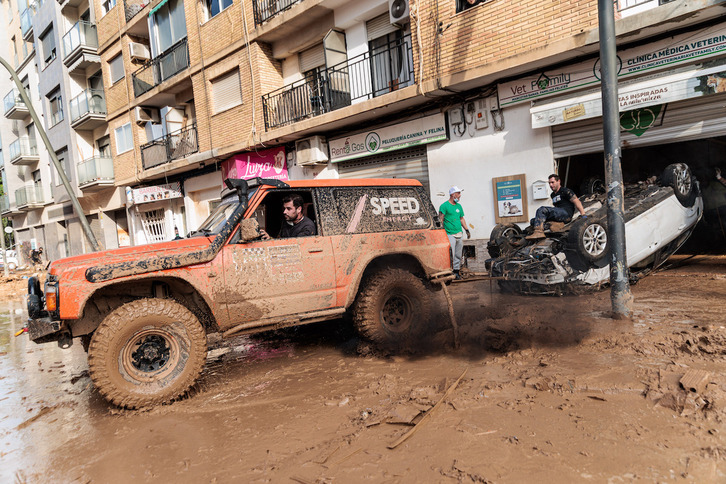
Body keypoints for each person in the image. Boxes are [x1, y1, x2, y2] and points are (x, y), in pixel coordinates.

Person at [526, 174, 587, 240]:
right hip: (558, 214)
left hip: (566, 214)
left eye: (552, 182)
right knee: (533, 221)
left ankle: (539, 232)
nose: (550, 185)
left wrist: (583, 214)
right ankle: (553, 225)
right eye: (549, 183)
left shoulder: (565, 191)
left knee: (542, 209)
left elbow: (577, 201)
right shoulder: (552, 195)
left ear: (558, 181)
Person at [439, 186, 470, 280]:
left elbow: (461, 219)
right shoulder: (444, 206)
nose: (460, 195)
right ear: (453, 194)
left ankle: (456, 272)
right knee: (449, 255)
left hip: (459, 233)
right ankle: (448, 272)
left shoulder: (459, 206)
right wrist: (441, 233)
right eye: (458, 193)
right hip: (449, 234)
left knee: (458, 254)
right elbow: (441, 219)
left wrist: (466, 229)